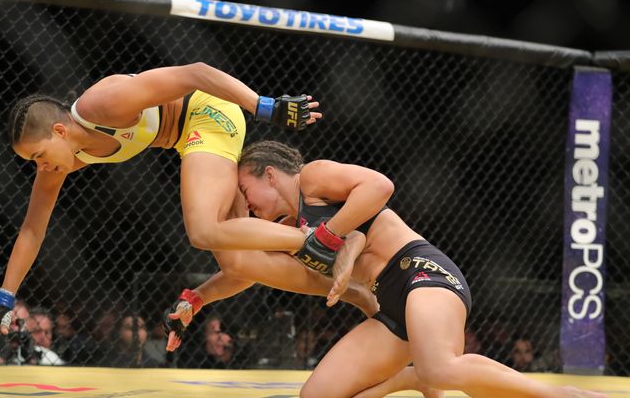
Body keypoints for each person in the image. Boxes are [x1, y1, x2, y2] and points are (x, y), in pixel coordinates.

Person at [0, 62, 376, 346]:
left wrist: (264, 106)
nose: (41, 167)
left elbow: (194, 73)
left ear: (59, 130)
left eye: (39, 155)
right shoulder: (58, 166)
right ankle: (353, 291)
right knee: (238, 263)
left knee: (202, 229)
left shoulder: (101, 106)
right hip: (187, 139)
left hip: (208, 112)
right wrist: (3, 299)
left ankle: (320, 237)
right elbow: (32, 229)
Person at [217, 140, 605, 398]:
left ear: (269, 173)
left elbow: (379, 186)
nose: (247, 204)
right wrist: (197, 298)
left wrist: (333, 235)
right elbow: (241, 268)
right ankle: (409, 378)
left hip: (422, 271)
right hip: (388, 306)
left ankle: (561, 396)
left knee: (440, 370)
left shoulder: (312, 178)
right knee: (316, 396)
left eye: (245, 190)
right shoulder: (289, 230)